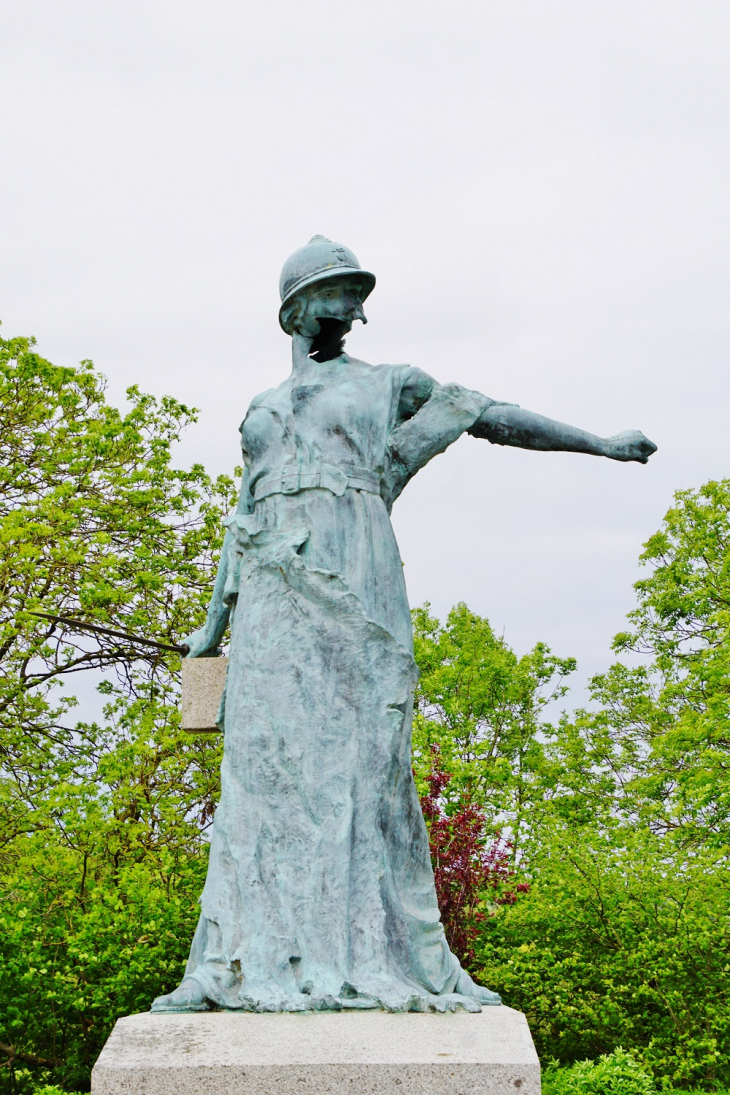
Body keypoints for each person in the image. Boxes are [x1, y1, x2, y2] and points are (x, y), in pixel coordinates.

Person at [152, 236, 656, 1014]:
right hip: (273, 597)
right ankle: (238, 958)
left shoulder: (389, 382)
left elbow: (489, 414)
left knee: (364, 762)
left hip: (354, 572)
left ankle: (375, 953)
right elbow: (243, 518)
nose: (357, 309)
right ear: (296, 306)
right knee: (264, 773)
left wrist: (598, 443)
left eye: (359, 294)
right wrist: (213, 625)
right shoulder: (260, 407)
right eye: (341, 292)